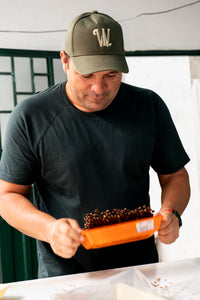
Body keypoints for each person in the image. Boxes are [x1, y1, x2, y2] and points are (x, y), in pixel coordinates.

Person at [0, 11, 190, 278]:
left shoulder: (149, 107)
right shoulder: (31, 116)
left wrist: (172, 211)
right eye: (86, 75)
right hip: (66, 274)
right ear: (65, 61)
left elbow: (175, 176)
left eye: (111, 75)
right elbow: (7, 196)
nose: (99, 88)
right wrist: (50, 230)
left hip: (140, 268)